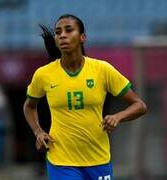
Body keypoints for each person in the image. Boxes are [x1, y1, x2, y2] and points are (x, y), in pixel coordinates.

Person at [23, 14, 147, 180]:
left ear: (82, 37)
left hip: (98, 158)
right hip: (61, 160)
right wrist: (38, 132)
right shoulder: (44, 74)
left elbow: (139, 105)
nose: (63, 35)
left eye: (69, 30)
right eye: (58, 32)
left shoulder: (102, 70)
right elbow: (29, 106)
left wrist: (118, 117)